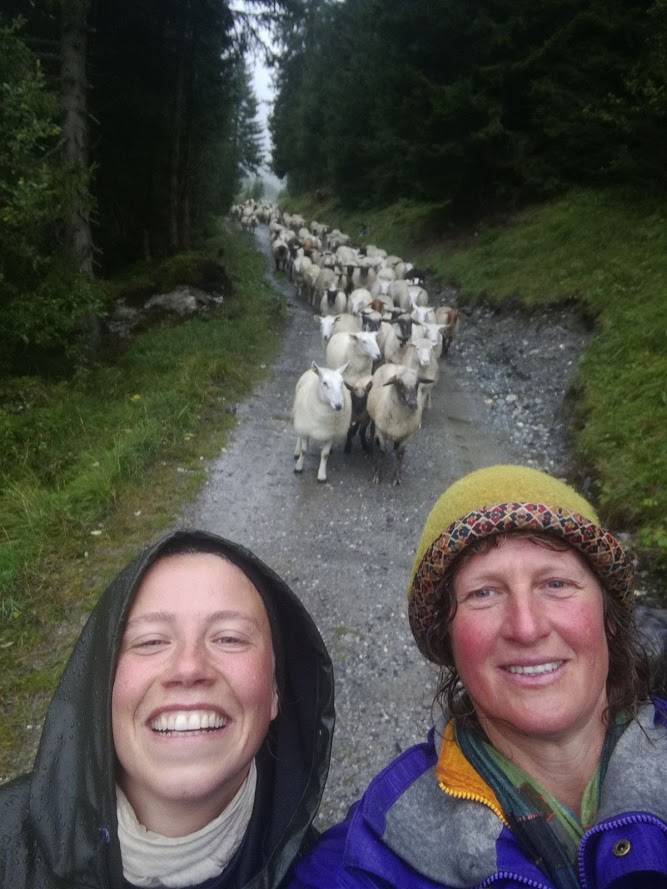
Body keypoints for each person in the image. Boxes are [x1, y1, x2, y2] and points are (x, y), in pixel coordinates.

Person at [291, 464, 667, 889]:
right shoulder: (373, 852)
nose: (526, 628)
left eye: (556, 583)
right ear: (446, 639)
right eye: (484, 593)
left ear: (608, 616)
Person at [0, 528, 334, 888]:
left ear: (274, 691)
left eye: (229, 638)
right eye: (151, 641)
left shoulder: (323, 876)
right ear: (102, 685)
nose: (188, 668)